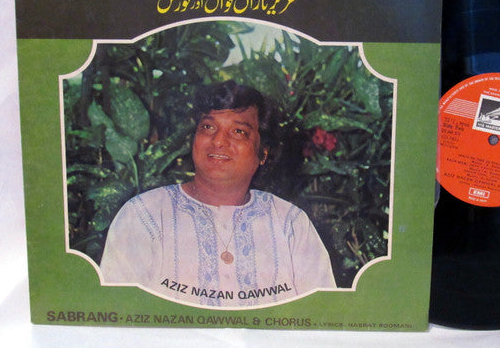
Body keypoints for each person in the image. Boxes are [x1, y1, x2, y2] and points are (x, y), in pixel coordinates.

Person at [100, 80, 336, 307]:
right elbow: (118, 316)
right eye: (208, 127)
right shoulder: (144, 216)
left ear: (263, 154)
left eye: (238, 131)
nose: (219, 140)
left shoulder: (290, 224)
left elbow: (319, 317)